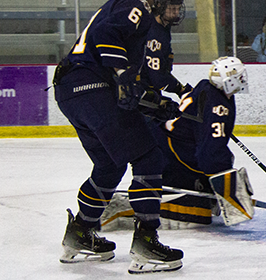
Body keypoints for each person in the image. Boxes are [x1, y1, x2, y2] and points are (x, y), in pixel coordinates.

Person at [53, 0, 183, 274]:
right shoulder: (133, 3)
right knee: (149, 157)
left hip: (71, 90)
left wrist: (155, 103)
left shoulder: (115, 4)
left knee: (110, 164)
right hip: (93, 88)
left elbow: (126, 91)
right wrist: (124, 73)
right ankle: (147, 241)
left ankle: (81, 232)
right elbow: (106, 36)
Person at [103, 56, 254, 229]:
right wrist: (229, 190)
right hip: (171, 155)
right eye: (240, 77)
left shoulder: (207, 88)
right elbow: (210, 153)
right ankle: (123, 207)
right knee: (195, 213)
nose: (243, 80)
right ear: (230, 80)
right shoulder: (217, 106)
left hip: (169, 146)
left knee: (206, 197)